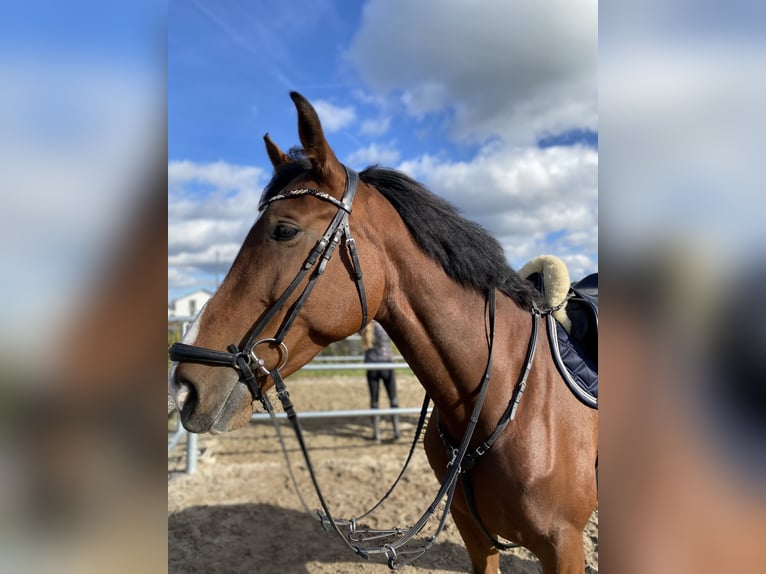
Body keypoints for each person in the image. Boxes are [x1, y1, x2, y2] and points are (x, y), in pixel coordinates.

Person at [362, 321, 400, 441]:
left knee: (374, 400)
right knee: (392, 398)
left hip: (371, 367)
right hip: (386, 365)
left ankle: (376, 433)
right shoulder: (384, 326)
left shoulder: (366, 328)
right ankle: (396, 431)